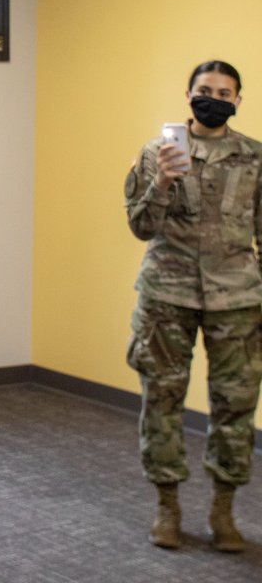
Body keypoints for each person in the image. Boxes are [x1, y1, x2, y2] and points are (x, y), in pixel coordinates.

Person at [124, 59, 262, 552]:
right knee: (161, 402)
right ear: (189, 95)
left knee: (235, 407)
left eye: (225, 91)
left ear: (238, 100)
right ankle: (167, 507)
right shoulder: (156, 152)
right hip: (167, 297)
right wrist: (160, 182)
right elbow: (140, 227)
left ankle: (224, 512)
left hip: (238, 301)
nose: (215, 97)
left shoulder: (254, 157)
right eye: (206, 89)